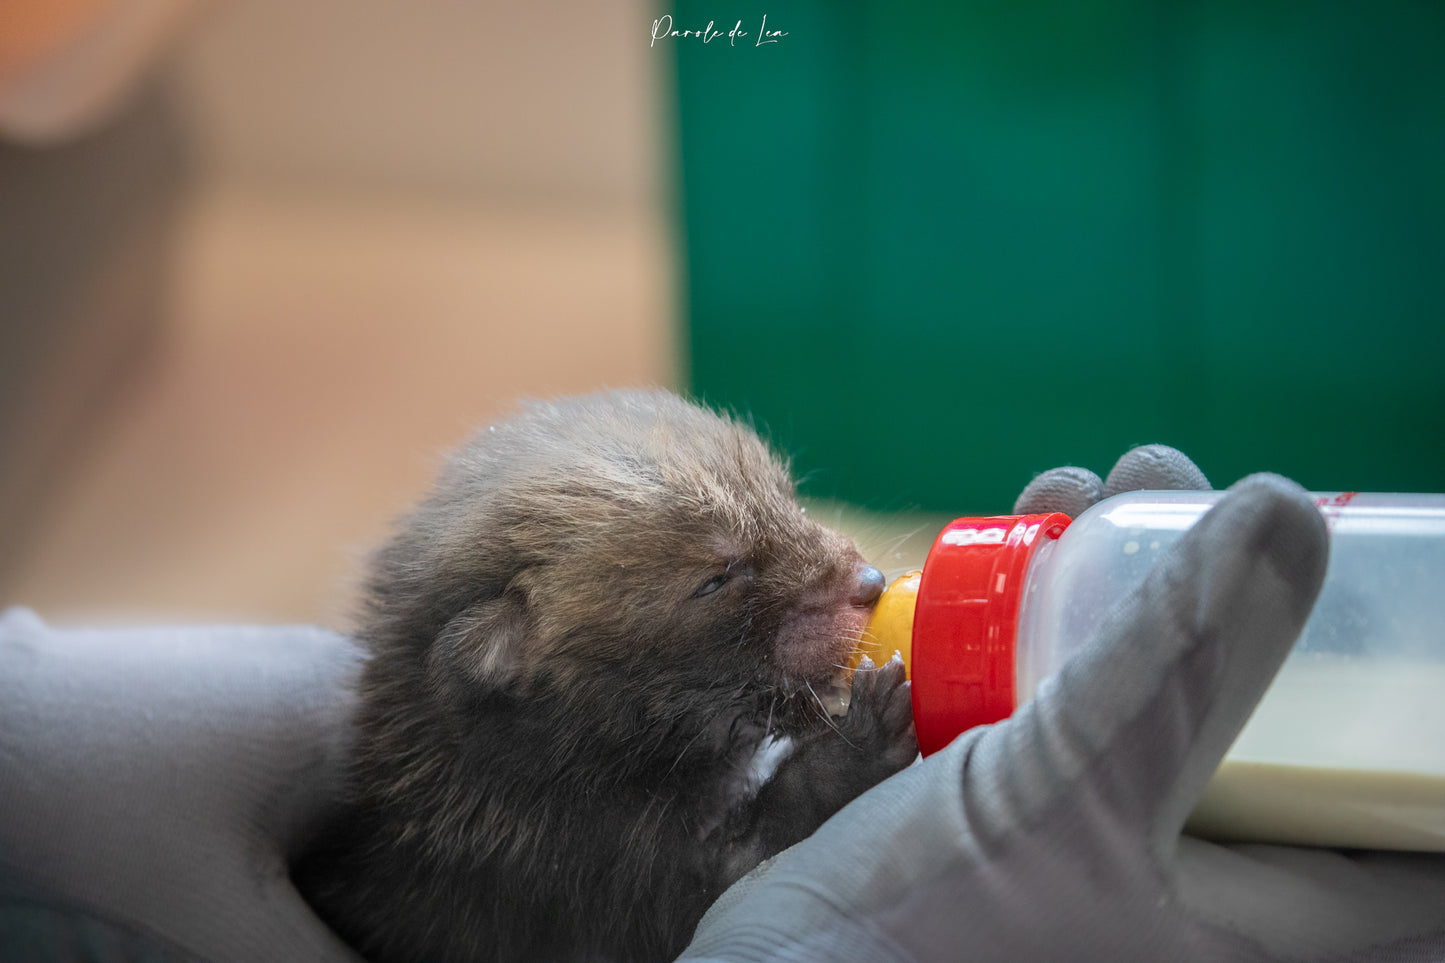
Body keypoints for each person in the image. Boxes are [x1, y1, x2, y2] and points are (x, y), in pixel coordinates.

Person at [3, 451, 1442, 962]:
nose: (842, 566)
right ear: (514, 664)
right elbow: (683, 898)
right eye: (719, 583)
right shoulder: (530, 846)